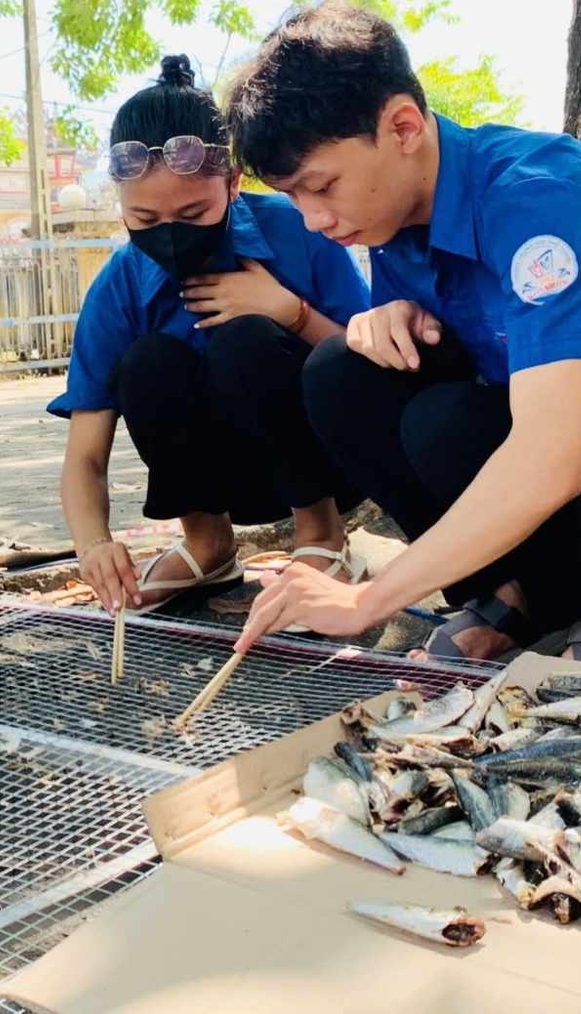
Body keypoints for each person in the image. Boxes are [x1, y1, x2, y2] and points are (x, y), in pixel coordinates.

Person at [227, 0, 581, 675]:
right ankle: (506, 598)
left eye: (321, 187)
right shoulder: (392, 219)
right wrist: (384, 323)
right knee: (341, 372)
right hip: (554, 459)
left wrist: (370, 600)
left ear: (402, 125)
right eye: (294, 197)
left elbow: (550, 456)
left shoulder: (542, 202)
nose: (312, 221)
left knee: (445, 423)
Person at [54, 56, 372, 615]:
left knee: (243, 342)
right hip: (223, 478)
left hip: (324, 461)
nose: (170, 233)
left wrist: (290, 312)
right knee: (147, 361)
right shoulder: (120, 284)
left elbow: (370, 362)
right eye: (146, 220)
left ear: (233, 181)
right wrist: (93, 544)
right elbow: (85, 454)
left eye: (195, 211)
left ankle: (322, 538)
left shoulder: (303, 230)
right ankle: (208, 545)